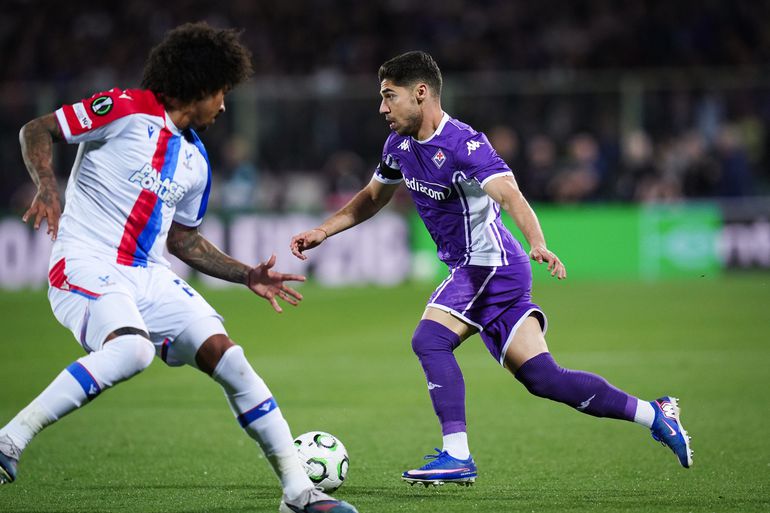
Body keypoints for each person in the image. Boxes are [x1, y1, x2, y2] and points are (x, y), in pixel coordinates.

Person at [290, 51, 693, 486]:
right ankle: (655, 414)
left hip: (489, 266)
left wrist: (538, 241)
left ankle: (457, 455)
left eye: (390, 96)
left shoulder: (464, 144)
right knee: (543, 377)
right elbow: (373, 197)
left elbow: (509, 194)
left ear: (421, 93)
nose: (382, 108)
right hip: (488, 269)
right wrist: (324, 230)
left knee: (429, 340)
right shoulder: (398, 146)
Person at [0, 22, 357, 513]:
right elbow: (36, 128)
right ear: (201, 85)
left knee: (231, 360)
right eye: (222, 92)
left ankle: (298, 493)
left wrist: (246, 275)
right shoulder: (125, 108)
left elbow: (183, 240)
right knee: (132, 350)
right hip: (85, 258)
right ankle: (10, 439)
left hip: (148, 274)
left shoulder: (196, 161)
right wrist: (47, 184)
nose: (224, 106)